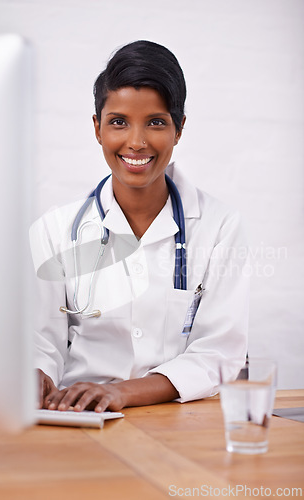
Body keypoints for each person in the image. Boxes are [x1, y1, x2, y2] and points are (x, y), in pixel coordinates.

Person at [30, 40, 249, 413]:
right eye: (118, 122)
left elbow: (219, 353)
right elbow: (40, 340)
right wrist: (35, 373)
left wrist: (124, 392)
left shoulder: (220, 227)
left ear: (179, 129)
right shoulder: (54, 229)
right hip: (78, 417)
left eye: (156, 122)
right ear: (97, 128)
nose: (136, 142)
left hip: (177, 420)